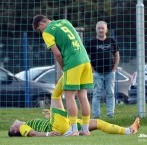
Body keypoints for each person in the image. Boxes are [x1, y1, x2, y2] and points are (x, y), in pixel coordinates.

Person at [8, 76, 140, 137]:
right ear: (15, 130)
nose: (13, 123)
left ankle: (128, 131)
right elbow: (32, 134)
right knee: (55, 95)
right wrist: (48, 134)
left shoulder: (31, 123)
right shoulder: (22, 128)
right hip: (59, 126)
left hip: (59, 123)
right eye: (11, 126)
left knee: (98, 123)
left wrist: (50, 117)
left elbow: (39, 128)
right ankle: (68, 72)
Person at [32, 15, 93, 136]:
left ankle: (73, 129)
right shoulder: (65, 21)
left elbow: (57, 54)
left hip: (73, 62)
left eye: (39, 30)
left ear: (41, 25)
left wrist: (63, 67)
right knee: (83, 95)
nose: (41, 32)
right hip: (85, 60)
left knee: (69, 95)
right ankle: (85, 129)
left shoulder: (47, 32)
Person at [86, 21, 120, 118]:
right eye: (99, 28)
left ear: (106, 30)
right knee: (97, 94)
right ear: (96, 29)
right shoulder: (91, 43)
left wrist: (114, 68)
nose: (101, 30)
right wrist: (92, 70)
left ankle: (110, 114)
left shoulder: (112, 41)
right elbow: (87, 58)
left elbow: (117, 55)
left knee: (110, 93)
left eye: (102, 28)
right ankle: (96, 115)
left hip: (110, 72)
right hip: (97, 73)